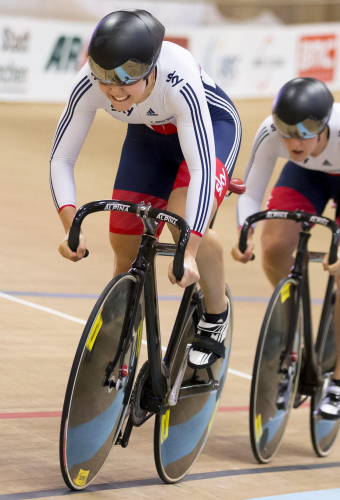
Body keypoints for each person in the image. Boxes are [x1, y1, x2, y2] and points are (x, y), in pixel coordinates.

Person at [50, 10, 241, 368]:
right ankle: (122, 342)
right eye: (104, 77)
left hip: (211, 130)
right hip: (148, 136)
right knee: (123, 239)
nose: (113, 89)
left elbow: (199, 167)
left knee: (181, 217)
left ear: (152, 68)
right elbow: (61, 159)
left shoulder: (178, 77)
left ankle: (216, 315)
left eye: (126, 78)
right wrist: (69, 227)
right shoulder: (90, 82)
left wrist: (188, 250)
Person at [232, 77, 340, 420]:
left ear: (324, 127)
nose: (293, 141)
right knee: (274, 247)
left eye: (303, 133)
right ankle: (292, 323)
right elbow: (252, 195)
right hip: (307, 176)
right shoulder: (272, 134)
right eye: (286, 132)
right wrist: (246, 231)